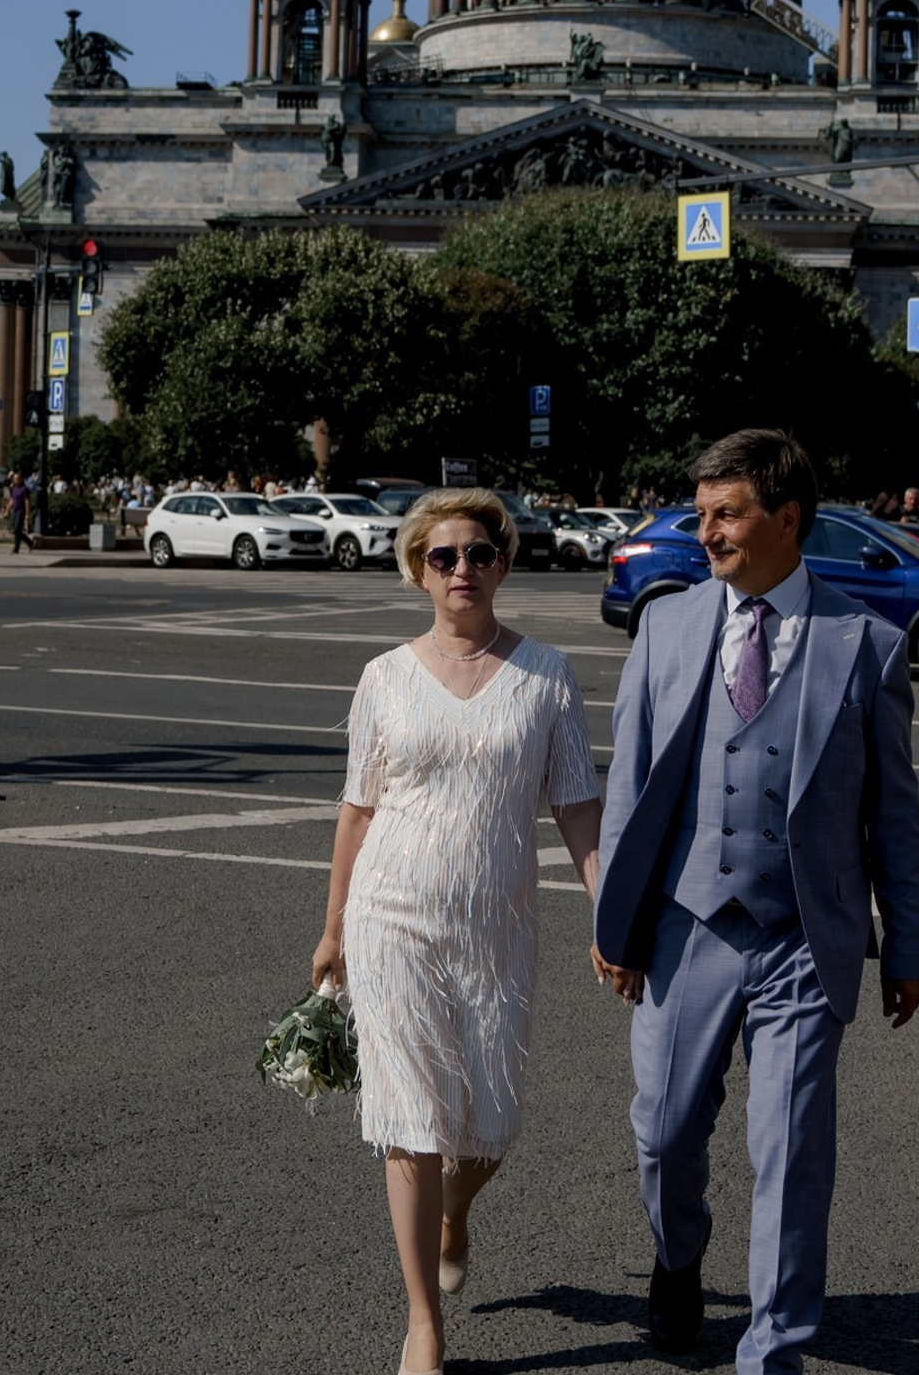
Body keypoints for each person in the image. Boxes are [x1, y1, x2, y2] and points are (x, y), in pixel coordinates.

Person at [592, 429, 919, 1374]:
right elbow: (631, 789)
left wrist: (908, 943)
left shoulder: (867, 645)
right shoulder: (665, 625)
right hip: (683, 926)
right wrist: (613, 923)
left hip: (802, 939)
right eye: (700, 515)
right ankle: (678, 1256)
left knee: (789, 1159)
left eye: (725, 514)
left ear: (786, 518)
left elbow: (895, 818)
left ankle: (771, 1351)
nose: (707, 534)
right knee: (662, 1134)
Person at [312, 490, 603, 1375]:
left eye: (479, 553)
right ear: (417, 571)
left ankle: (454, 1211)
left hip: (497, 926)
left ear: (503, 565)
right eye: (443, 558)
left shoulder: (547, 673)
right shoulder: (384, 676)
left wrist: (611, 911)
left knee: (490, 1124)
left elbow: (579, 809)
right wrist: (331, 932)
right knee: (413, 1121)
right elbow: (357, 810)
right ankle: (423, 1324)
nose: (462, 570)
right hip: (390, 917)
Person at [8, 473, 33, 553]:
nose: (15, 480)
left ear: (21, 479)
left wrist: (27, 514)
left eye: (17, 479)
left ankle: (16, 548)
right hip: (15, 511)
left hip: (21, 511)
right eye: (14, 479)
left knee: (17, 529)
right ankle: (30, 543)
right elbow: (12, 500)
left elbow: (27, 502)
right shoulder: (15, 489)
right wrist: (7, 510)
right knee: (16, 530)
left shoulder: (24, 489)